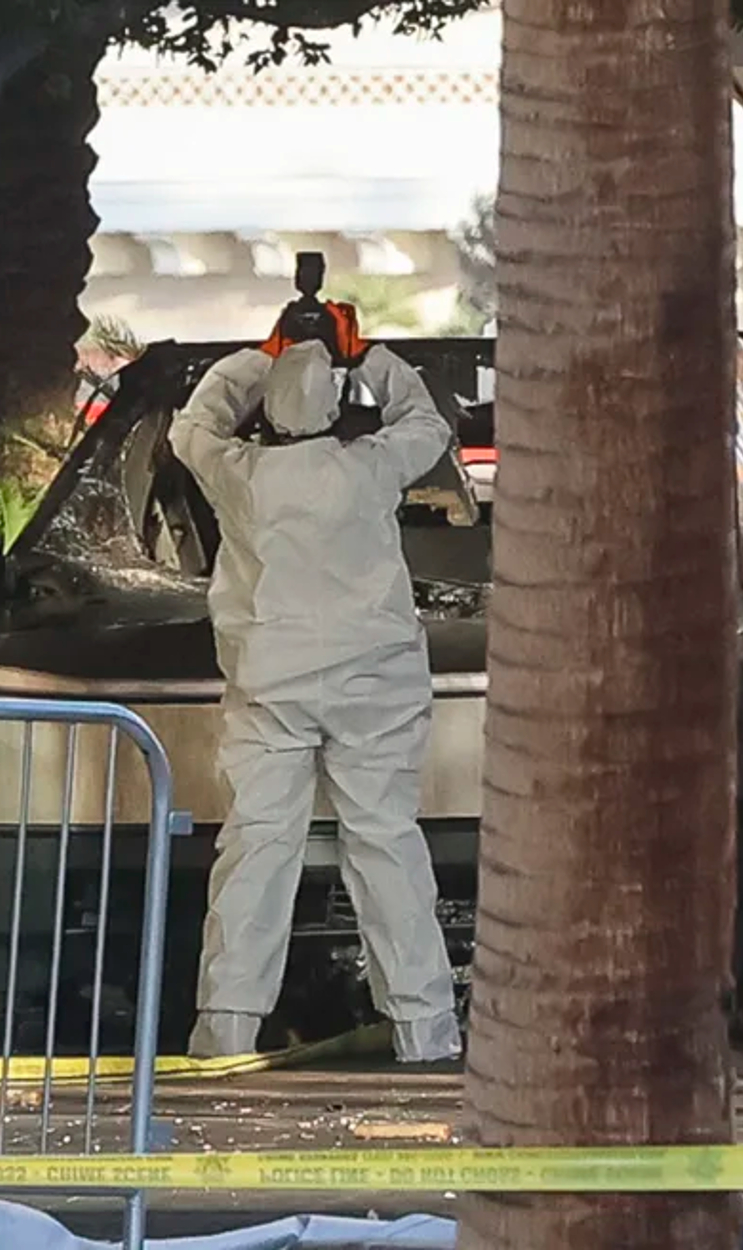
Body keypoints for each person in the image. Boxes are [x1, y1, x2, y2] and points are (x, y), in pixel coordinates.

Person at [170, 333, 461, 1064]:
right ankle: (425, 1034)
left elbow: (193, 427)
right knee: (387, 847)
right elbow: (427, 425)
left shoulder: (241, 475)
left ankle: (225, 1029)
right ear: (337, 408)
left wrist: (257, 359)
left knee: (257, 850)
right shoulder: (370, 467)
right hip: (376, 688)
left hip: (270, 684)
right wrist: (368, 355)